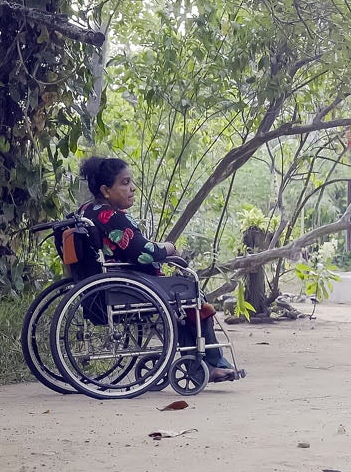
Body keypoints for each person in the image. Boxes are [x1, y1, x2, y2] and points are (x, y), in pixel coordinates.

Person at [78, 156, 243, 383]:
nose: (132, 188)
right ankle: (209, 362)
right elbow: (143, 252)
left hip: (111, 283)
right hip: (126, 285)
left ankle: (202, 361)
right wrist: (170, 248)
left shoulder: (87, 211)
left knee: (181, 300)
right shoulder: (111, 217)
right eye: (125, 183)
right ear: (106, 190)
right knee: (192, 294)